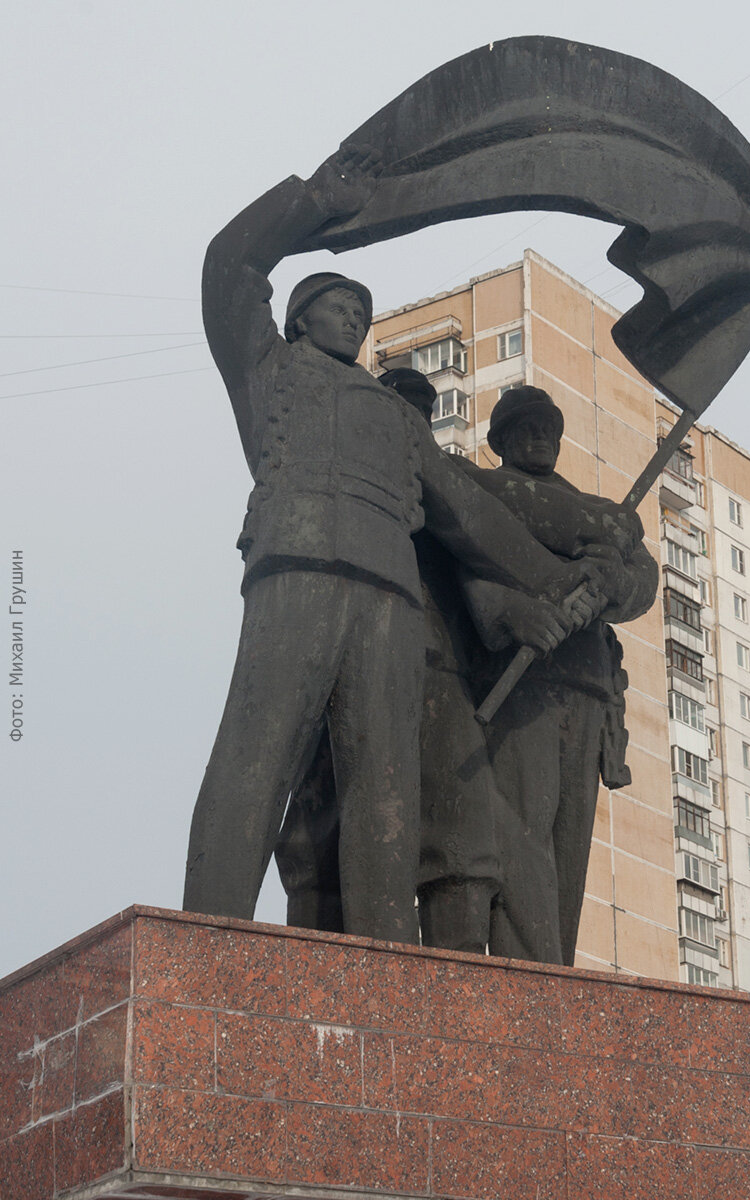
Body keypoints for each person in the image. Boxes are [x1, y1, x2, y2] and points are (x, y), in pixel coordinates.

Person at [183, 147, 596, 945]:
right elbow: (227, 265)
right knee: (255, 755)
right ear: (300, 315)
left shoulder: (400, 420)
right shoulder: (268, 368)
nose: (354, 319)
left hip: (391, 604)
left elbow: (469, 521)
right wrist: (309, 204)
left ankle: (386, 966)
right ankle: (205, 943)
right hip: (297, 577)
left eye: (362, 313)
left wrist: (555, 579)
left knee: (386, 793)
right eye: (339, 304)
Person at [274, 367, 588, 948]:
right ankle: (328, 977)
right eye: (396, 409)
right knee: (318, 836)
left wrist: (511, 610)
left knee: (463, 842)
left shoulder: (453, 482)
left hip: (436, 668)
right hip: (342, 666)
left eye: (418, 411)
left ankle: (452, 997)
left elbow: (480, 559)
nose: (406, 422)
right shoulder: (340, 476)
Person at [457, 386, 659, 963]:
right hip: (523, 683)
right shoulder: (492, 494)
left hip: (588, 686)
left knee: (569, 847)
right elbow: (476, 564)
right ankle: (526, 977)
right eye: (525, 426)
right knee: (523, 835)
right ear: (498, 441)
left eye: (549, 425)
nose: (540, 435)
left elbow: (642, 583)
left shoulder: (605, 521)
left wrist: (609, 585)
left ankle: (554, 977)